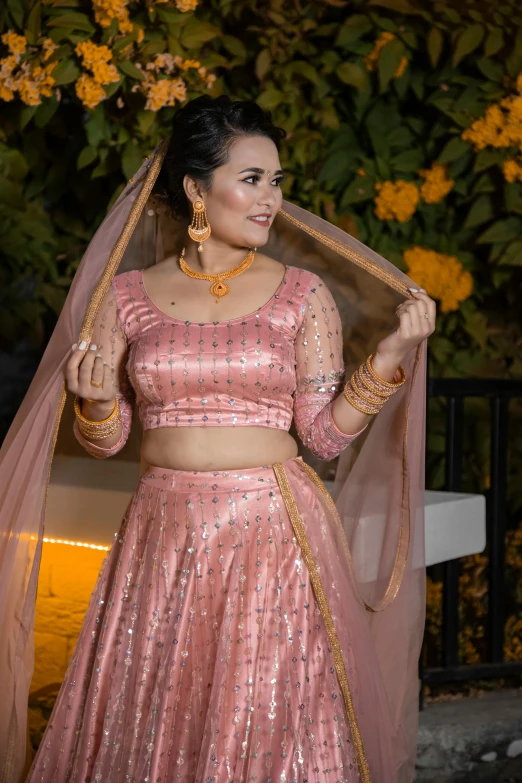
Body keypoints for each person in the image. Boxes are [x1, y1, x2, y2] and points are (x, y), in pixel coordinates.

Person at [0, 96, 434, 783]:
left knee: (267, 724)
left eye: (278, 180)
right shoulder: (128, 296)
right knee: (156, 722)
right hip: (162, 537)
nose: (271, 200)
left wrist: (387, 357)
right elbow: (107, 442)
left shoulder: (302, 294)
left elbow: (322, 434)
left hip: (274, 537)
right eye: (253, 179)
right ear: (198, 188)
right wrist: (97, 402)